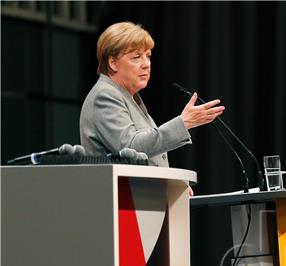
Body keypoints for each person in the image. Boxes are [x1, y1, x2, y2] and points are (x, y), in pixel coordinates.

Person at [80, 21, 224, 168]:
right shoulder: (105, 95)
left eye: (148, 56)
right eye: (136, 57)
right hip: (117, 190)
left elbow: (147, 156)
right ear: (113, 63)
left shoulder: (128, 97)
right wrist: (184, 122)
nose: (146, 64)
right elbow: (131, 148)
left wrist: (172, 182)